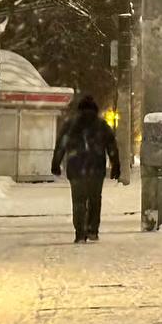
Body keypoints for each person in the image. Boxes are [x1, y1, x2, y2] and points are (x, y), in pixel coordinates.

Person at [51, 95, 120, 243]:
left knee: (78, 201)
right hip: (96, 168)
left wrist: (56, 163)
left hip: (76, 168)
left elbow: (61, 145)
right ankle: (92, 230)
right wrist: (115, 165)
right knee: (95, 199)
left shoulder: (70, 125)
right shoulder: (102, 125)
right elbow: (112, 146)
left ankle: (80, 232)